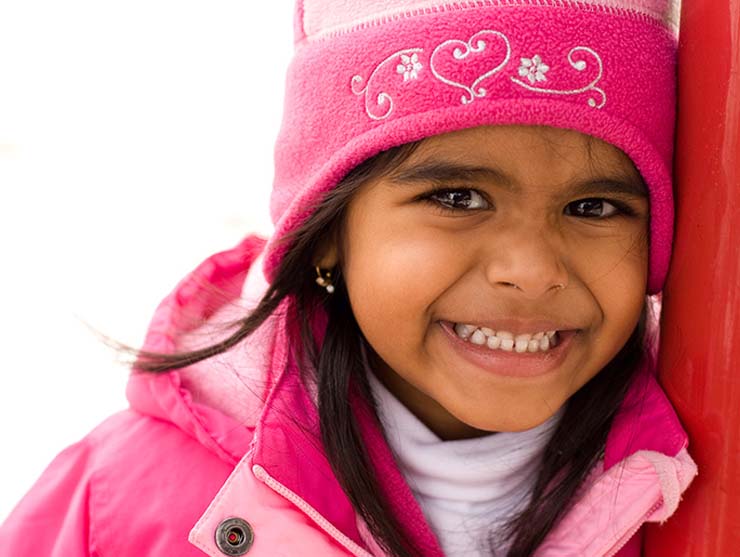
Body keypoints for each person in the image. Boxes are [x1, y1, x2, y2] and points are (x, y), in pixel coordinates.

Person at [0, 1, 697, 556]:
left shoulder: (698, 488)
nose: (531, 270)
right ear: (327, 231)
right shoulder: (121, 502)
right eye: (457, 197)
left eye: (594, 207)